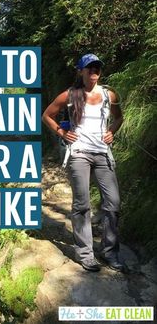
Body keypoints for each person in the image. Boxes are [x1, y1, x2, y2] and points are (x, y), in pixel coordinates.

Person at [42, 53, 124, 272]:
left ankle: (109, 252)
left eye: (97, 66)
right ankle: (86, 254)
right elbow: (47, 115)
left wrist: (111, 132)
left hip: (102, 154)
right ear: (80, 71)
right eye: (89, 67)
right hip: (79, 154)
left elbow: (118, 118)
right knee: (82, 205)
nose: (94, 70)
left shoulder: (109, 94)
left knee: (113, 203)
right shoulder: (69, 95)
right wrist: (62, 132)